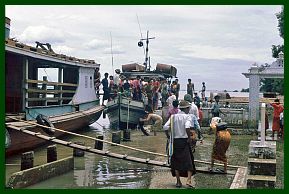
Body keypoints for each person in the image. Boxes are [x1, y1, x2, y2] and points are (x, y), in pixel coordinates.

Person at [163, 100, 196, 188]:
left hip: (175, 141)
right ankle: (188, 180)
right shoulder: (187, 117)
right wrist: (189, 137)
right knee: (189, 161)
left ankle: (178, 182)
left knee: (176, 161)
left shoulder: (173, 117)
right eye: (188, 108)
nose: (189, 109)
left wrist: (168, 136)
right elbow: (187, 126)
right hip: (185, 141)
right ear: (186, 108)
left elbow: (165, 127)